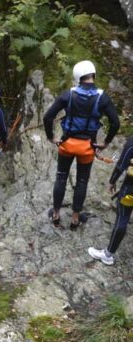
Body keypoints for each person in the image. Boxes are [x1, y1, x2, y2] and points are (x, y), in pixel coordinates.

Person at [44, 60, 121, 229]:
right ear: (93, 75)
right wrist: (105, 143)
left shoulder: (68, 94)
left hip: (67, 144)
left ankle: (56, 214)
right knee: (82, 181)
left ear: (77, 77)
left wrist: (51, 138)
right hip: (87, 148)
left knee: (61, 177)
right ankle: (75, 218)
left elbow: (48, 117)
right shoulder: (103, 97)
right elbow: (115, 123)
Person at [88, 137, 133, 265]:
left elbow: (121, 166)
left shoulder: (132, 144)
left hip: (130, 190)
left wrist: (112, 181)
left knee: (123, 218)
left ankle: (108, 255)